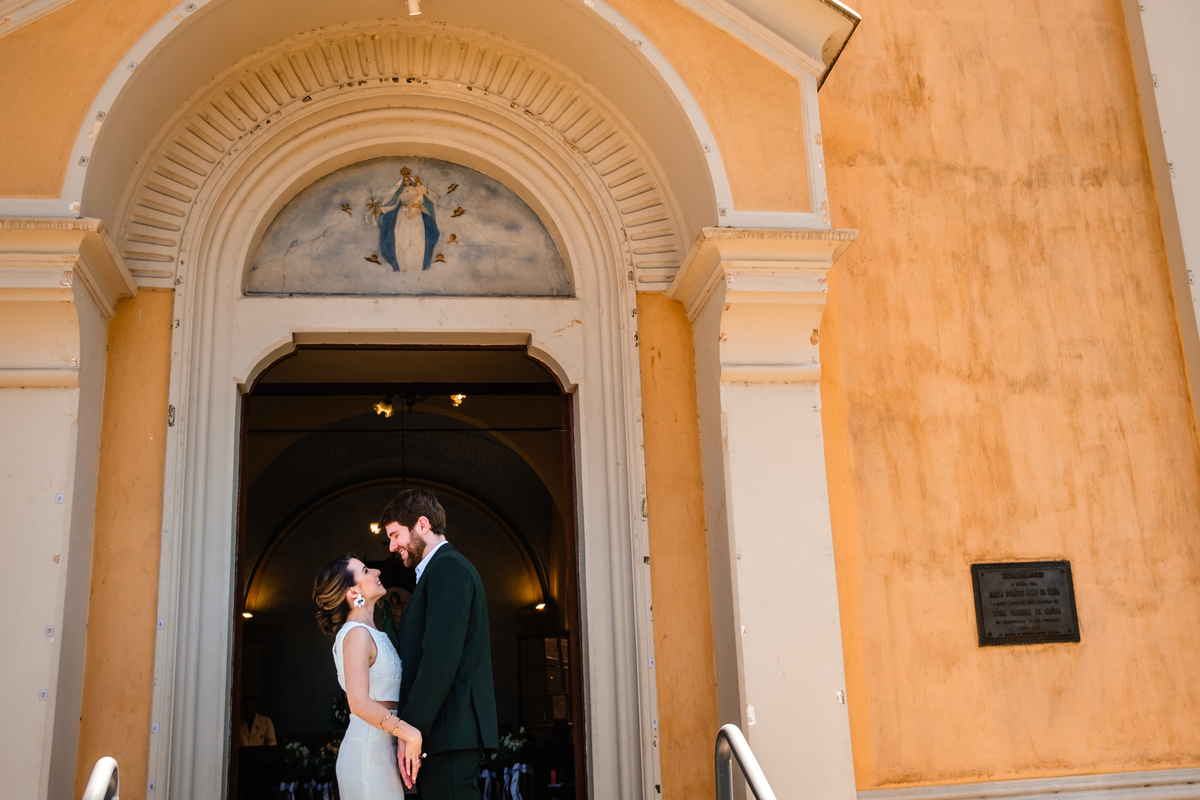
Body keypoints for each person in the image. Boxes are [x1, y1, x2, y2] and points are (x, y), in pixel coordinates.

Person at [381, 488, 498, 800]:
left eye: (395, 535)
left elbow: (439, 657)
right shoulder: (438, 571)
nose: (392, 547)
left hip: (448, 730)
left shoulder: (448, 568)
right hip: (444, 732)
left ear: (422, 524)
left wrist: (411, 729)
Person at [313, 553, 424, 799]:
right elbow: (359, 702)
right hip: (367, 754)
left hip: (384, 751)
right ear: (352, 592)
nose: (377, 572)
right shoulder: (356, 634)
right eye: (366, 571)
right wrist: (409, 733)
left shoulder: (373, 633)